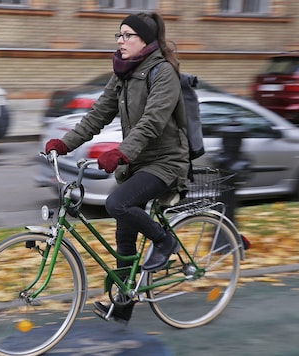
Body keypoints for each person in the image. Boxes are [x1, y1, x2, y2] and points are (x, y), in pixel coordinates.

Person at [44, 12, 190, 325]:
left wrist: (121, 152)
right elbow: (97, 115)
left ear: (145, 41)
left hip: (165, 161)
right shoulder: (123, 73)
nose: (121, 41)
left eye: (127, 35)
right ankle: (124, 305)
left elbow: (152, 122)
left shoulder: (162, 72)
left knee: (117, 204)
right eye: (119, 35)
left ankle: (165, 240)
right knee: (124, 238)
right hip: (137, 163)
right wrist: (65, 144)